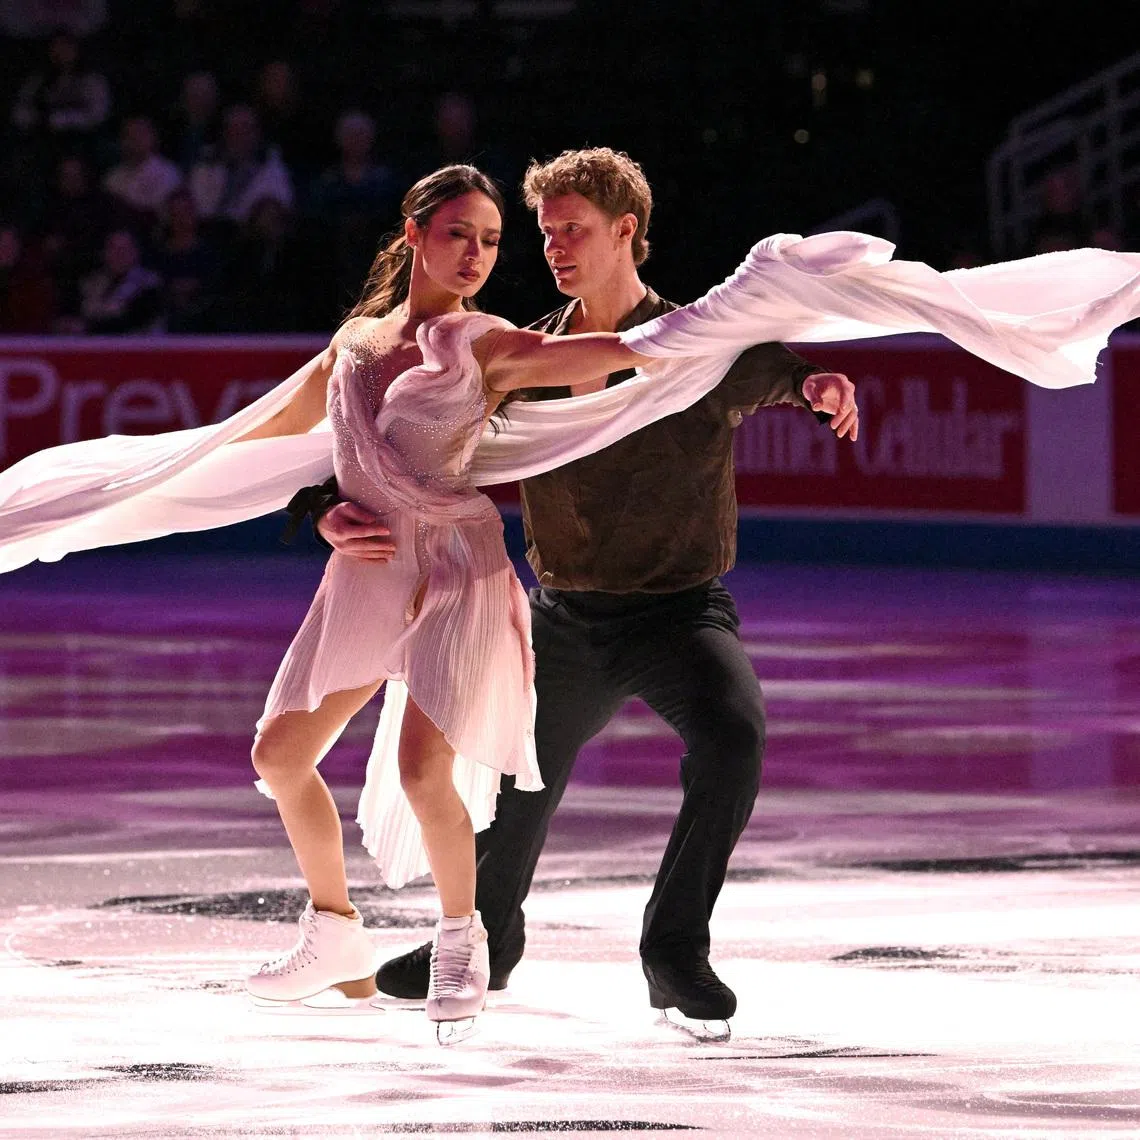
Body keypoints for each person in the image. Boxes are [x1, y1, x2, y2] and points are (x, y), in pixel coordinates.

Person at [228, 163, 861, 1043]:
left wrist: (813, 383)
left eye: (571, 230)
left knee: (734, 739)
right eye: (545, 232)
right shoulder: (518, 352)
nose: (552, 248)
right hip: (567, 613)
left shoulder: (694, 347)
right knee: (510, 784)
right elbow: (374, 445)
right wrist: (321, 505)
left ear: (627, 229)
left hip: (678, 611)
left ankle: (673, 951)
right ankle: (484, 941)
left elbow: (759, 364)